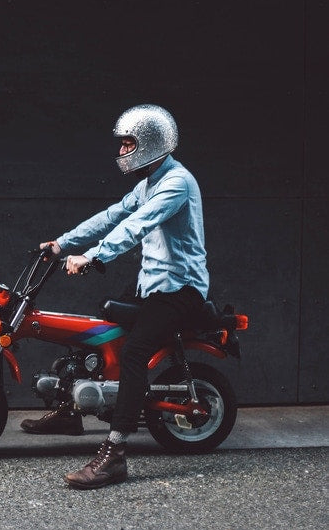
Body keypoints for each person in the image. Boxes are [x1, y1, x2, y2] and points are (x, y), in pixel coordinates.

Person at [21, 103, 209, 489]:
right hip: (151, 285)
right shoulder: (147, 183)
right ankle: (70, 410)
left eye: (128, 144)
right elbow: (111, 216)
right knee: (97, 328)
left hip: (181, 289)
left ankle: (115, 451)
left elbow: (137, 225)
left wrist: (93, 256)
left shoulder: (177, 183)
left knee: (134, 352)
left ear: (151, 143)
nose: (122, 151)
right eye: (122, 144)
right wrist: (61, 244)